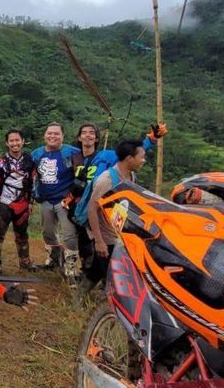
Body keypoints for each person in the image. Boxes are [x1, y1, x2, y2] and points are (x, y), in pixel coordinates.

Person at [68, 122, 165, 269]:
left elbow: (130, 154)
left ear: (97, 138)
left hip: (98, 209)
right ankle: (81, 271)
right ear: (79, 137)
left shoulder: (105, 156)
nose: (88, 135)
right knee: (79, 241)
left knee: (93, 246)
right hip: (77, 205)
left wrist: (151, 139)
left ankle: (91, 273)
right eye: (84, 132)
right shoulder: (72, 156)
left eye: (92, 133)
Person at [77, 139, 148, 307]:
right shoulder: (107, 180)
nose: (144, 161)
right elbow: (92, 210)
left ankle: (79, 299)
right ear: (129, 158)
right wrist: (99, 241)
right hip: (106, 235)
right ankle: (113, 309)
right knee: (114, 273)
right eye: (142, 157)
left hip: (117, 232)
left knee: (96, 269)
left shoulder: (131, 176)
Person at [30, 123, 81, 282]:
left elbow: (81, 173)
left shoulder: (72, 152)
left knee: (70, 235)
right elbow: (31, 177)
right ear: (44, 135)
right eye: (49, 133)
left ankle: (71, 268)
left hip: (65, 200)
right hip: (45, 199)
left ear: (62, 136)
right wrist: (32, 198)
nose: (52, 136)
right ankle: (54, 259)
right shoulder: (36, 154)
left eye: (56, 134)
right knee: (48, 233)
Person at [0, 129, 36, 272]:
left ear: (22, 141)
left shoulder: (30, 161)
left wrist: (31, 202)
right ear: (7, 143)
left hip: (22, 204)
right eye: (11, 141)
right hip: (4, 204)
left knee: (22, 234)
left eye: (17, 140)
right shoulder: (0, 163)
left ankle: (25, 262)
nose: (14, 143)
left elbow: (32, 183)